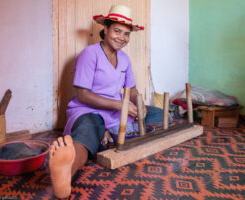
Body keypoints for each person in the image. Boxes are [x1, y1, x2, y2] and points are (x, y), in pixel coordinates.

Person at [48, 4, 164, 199]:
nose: (122, 37)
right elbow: (83, 95)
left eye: (126, 34)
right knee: (88, 131)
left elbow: (132, 90)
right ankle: (65, 173)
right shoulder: (89, 54)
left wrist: (140, 104)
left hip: (116, 112)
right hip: (88, 110)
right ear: (105, 29)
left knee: (159, 114)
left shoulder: (125, 59)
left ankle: (110, 134)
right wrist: (121, 105)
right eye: (117, 31)